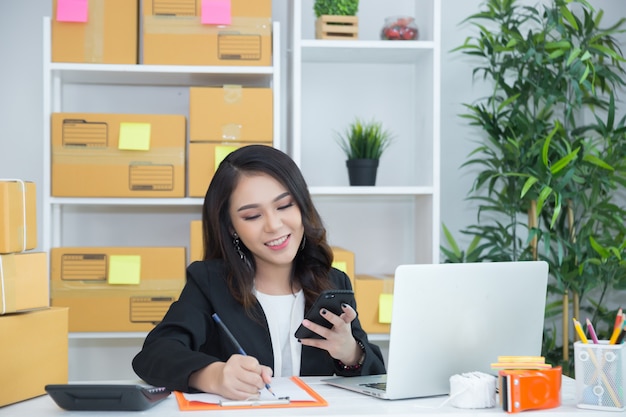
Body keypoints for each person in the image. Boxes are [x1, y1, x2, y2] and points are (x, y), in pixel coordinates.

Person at [132, 145, 386, 400]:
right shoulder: (208, 282)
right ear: (232, 228)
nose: (274, 225)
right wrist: (214, 376)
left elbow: (376, 377)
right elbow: (154, 355)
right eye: (252, 216)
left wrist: (350, 352)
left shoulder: (332, 282)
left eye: (284, 206)